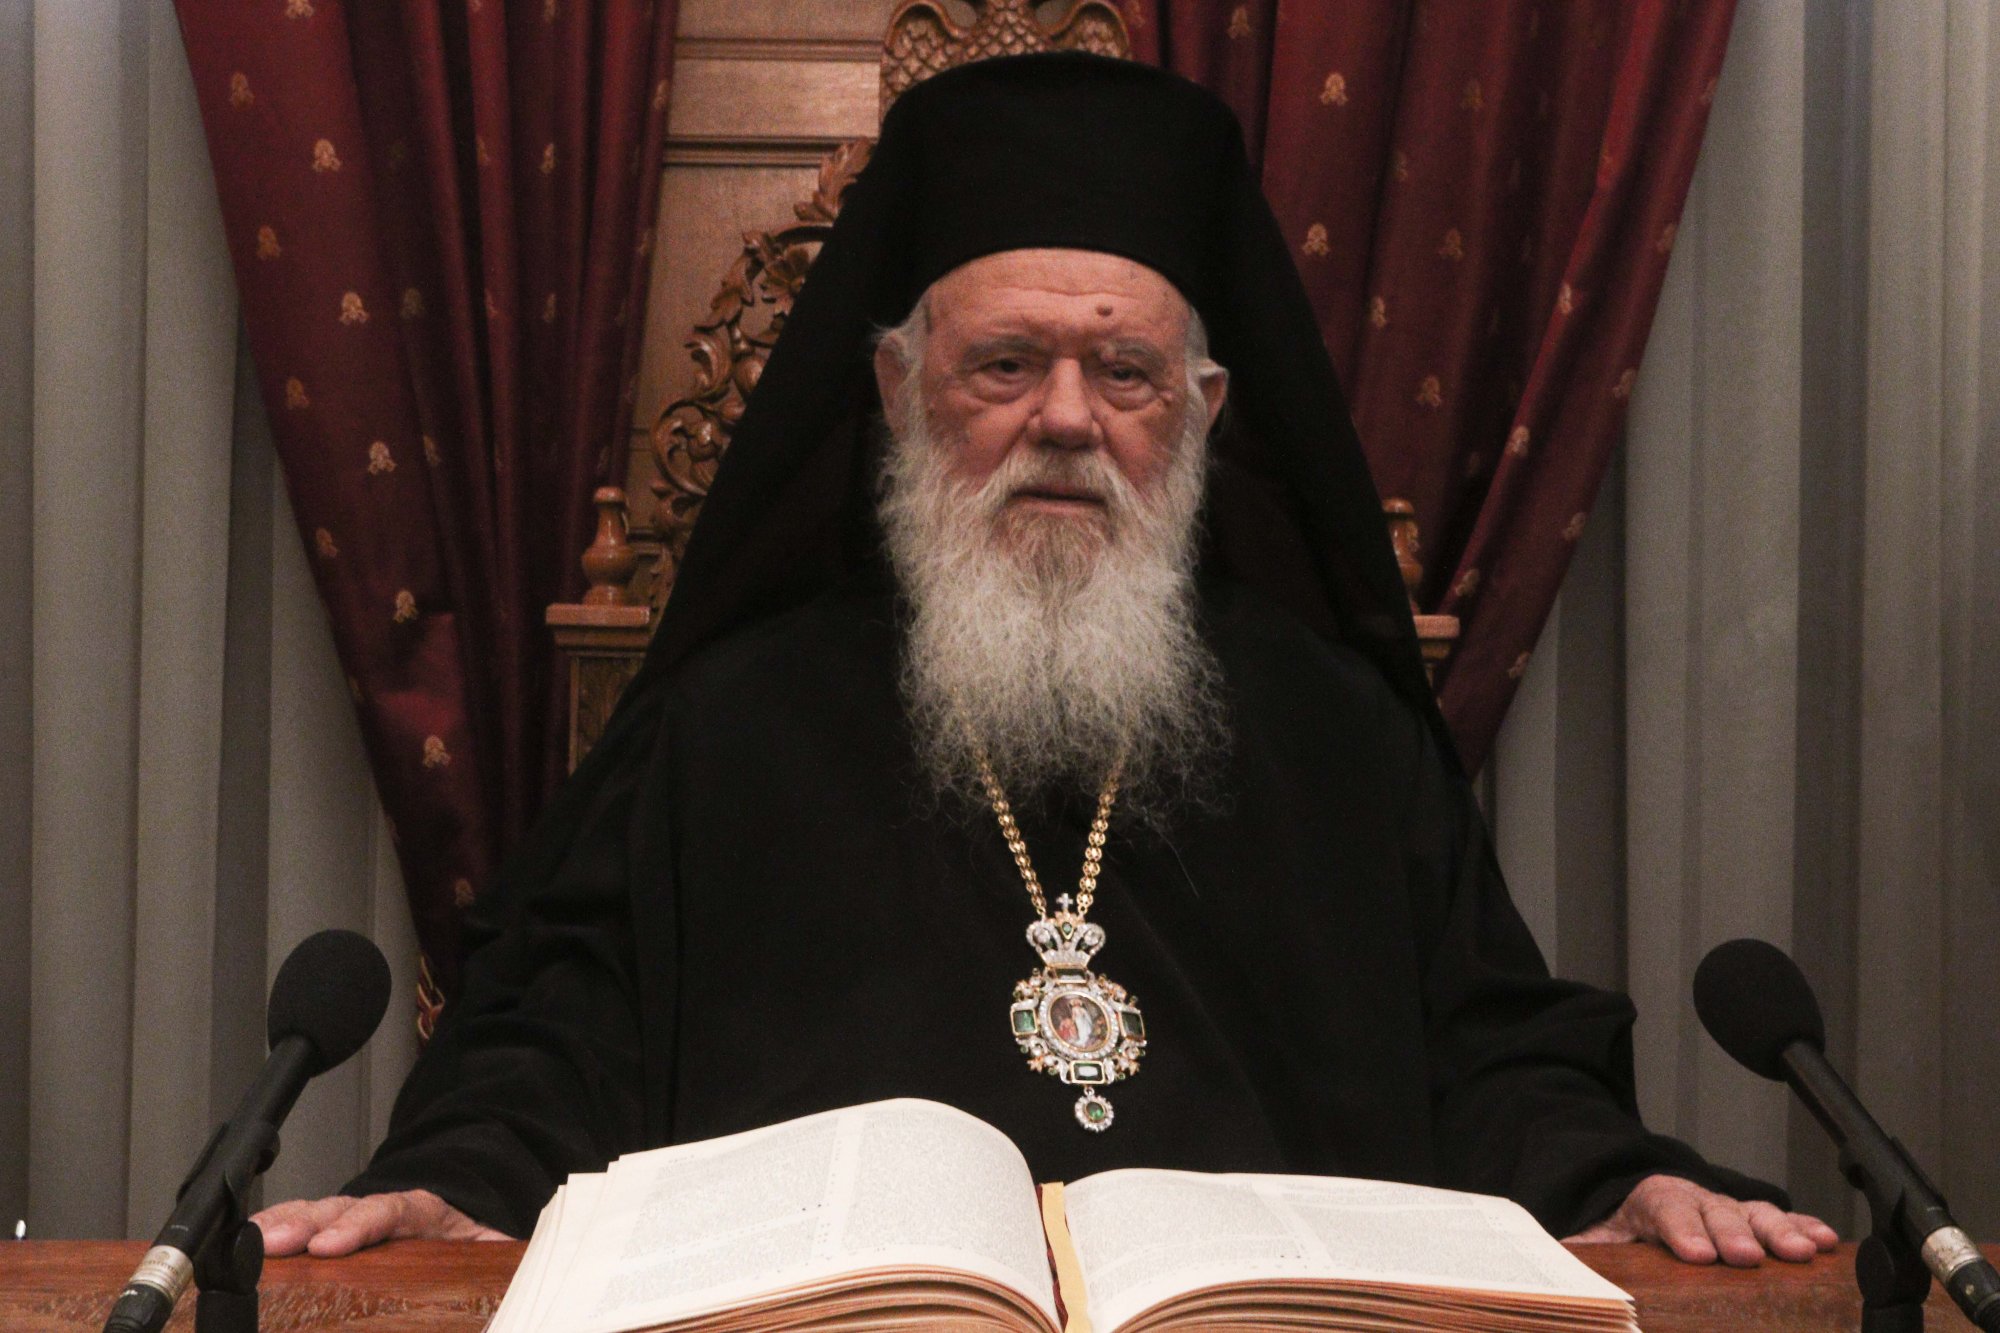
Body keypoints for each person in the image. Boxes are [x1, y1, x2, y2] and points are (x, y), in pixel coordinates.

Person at [256, 53, 1837, 1269]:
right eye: (1006, 363)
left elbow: (1491, 1051)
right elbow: (556, 1034)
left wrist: (1610, 1174)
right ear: (897, 392)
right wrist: (460, 1178)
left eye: (1125, 371)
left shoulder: (1337, 729)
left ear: (1205, 414)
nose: (1067, 418)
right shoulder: (728, 728)